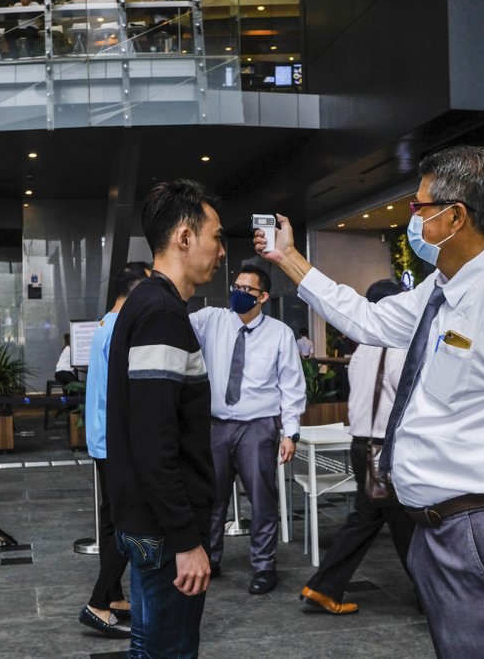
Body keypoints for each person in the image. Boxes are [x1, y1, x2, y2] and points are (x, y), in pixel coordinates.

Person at [255, 145, 484, 656]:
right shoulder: (442, 289)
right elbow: (367, 320)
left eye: (419, 209)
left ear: (455, 216)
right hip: (444, 531)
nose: (411, 220)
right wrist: (288, 258)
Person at [106, 178, 224, 657]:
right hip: (163, 529)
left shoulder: (145, 302)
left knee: (148, 646)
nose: (220, 249)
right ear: (184, 237)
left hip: (144, 519)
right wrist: (186, 540)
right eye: (216, 236)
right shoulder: (161, 313)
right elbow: (156, 440)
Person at [300, 279, 417, 615]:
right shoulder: (397, 347)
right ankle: (435, 597)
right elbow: (407, 400)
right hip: (384, 450)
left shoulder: (363, 348)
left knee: (372, 519)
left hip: (362, 445)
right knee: (405, 524)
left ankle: (323, 587)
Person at [188, 264, 305, 595]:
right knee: (212, 498)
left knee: (262, 499)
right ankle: (209, 560)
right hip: (216, 427)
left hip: (258, 427)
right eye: (235, 287)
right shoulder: (211, 320)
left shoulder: (280, 333)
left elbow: (292, 387)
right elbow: (174, 321)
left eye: (246, 290)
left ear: (263, 297)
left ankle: (264, 567)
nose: (237, 293)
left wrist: (289, 432)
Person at [78, 261, 151, 639]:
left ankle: (114, 595)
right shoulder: (121, 330)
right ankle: (97, 604)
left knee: (111, 521)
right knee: (127, 524)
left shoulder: (105, 325)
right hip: (116, 443)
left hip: (102, 440)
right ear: (137, 292)